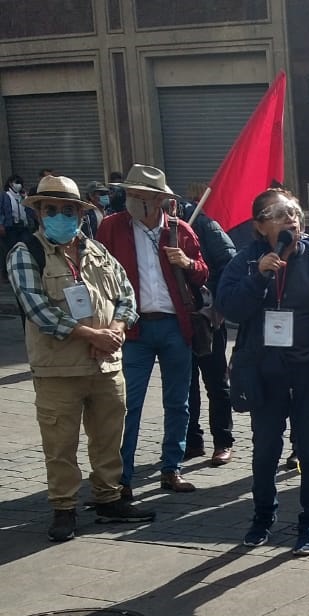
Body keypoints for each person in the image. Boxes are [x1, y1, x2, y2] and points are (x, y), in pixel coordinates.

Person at [217, 188, 309, 554]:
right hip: (266, 376)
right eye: (280, 214)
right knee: (266, 452)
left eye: (295, 212)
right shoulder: (249, 261)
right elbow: (228, 307)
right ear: (260, 225)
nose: (291, 220)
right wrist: (260, 278)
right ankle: (262, 519)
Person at [6, 175, 155, 541]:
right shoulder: (26, 253)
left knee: (109, 438)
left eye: (68, 210)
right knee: (61, 445)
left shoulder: (98, 251)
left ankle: (108, 497)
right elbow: (38, 310)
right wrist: (92, 335)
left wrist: (117, 330)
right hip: (59, 370)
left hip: (105, 365)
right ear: (40, 213)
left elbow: (127, 296)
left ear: (79, 213)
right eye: (52, 210)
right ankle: (64, 507)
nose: (61, 216)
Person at [99, 164, 209, 498]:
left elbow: (203, 274)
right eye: (129, 194)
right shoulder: (112, 228)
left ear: (158, 199)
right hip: (133, 330)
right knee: (127, 404)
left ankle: (171, 469)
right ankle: (123, 477)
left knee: (178, 402)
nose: (133, 200)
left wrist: (187, 264)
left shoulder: (180, 231)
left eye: (140, 196)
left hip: (176, 326)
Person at [180, 183, 238, 467]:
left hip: (207, 320)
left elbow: (230, 263)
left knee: (216, 382)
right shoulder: (145, 233)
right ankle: (191, 441)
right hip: (176, 322)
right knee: (183, 386)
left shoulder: (203, 225)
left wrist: (214, 301)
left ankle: (223, 441)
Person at [1, 174, 35, 272]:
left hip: (23, 227)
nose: (18, 185)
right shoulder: (5, 195)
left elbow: (30, 211)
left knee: (26, 247)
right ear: (10, 183)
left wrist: (26, 198)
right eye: (16, 183)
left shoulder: (22, 196)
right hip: (10, 227)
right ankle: (6, 271)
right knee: (9, 249)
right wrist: (1, 225)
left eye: (20, 183)